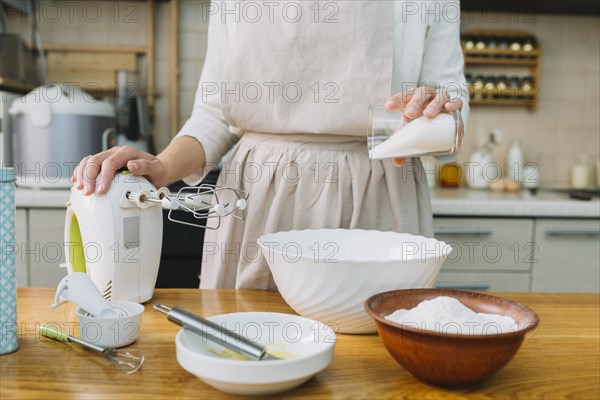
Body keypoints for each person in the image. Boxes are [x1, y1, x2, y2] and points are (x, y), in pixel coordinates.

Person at [73, 1, 469, 290]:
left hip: (379, 205)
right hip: (257, 203)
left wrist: (435, 107)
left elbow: (451, 101)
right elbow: (215, 114)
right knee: (245, 346)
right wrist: (161, 167)